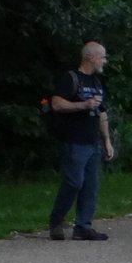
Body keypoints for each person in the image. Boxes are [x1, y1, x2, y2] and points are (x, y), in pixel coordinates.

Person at [47, 41, 115, 240]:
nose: (104, 60)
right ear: (90, 57)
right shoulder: (71, 79)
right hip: (74, 141)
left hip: (93, 142)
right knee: (74, 182)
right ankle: (56, 220)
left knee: (90, 186)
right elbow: (57, 104)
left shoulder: (96, 82)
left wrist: (107, 141)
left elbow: (102, 113)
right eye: (102, 56)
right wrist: (83, 105)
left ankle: (83, 226)